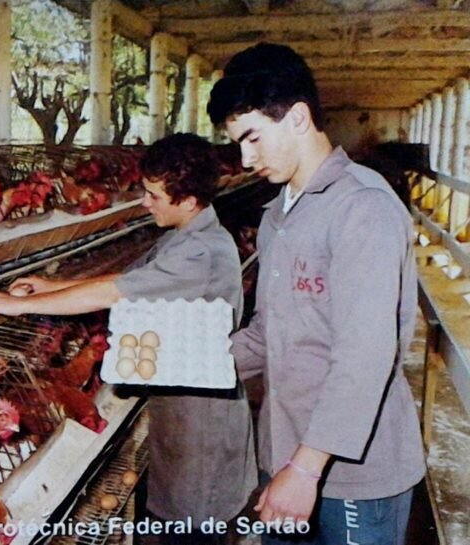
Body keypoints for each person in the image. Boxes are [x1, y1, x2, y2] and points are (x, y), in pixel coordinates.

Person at [0, 132, 257, 544]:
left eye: (154, 196)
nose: (145, 202)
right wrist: (50, 285)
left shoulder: (201, 253)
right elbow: (123, 277)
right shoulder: (184, 235)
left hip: (202, 418)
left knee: (193, 527)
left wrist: (21, 305)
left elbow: (114, 292)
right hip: (180, 400)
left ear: (189, 201)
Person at [207, 42, 425, 545]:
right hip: (286, 454)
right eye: (238, 143)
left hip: (351, 474)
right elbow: (270, 332)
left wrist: (306, 470)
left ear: (299, 118)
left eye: (253, 138)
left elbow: (364, 357)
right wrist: (195, 363)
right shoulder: (279, 215)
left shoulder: (362, 208)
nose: (244, 158)